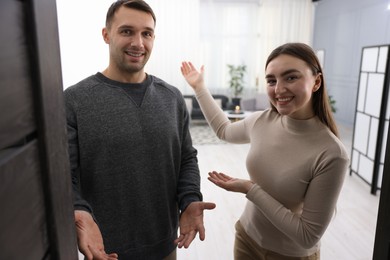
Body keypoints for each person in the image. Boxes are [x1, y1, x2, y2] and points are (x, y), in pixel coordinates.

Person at [64, 1, 215, 259]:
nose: (138, 43)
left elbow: (186, 157)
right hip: (103, 250)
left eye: (147, 33)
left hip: (165, 246)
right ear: (106, 34)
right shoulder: (74, 100)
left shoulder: (172, 98)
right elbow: (66, 174)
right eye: (126, 31)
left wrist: (190, 198)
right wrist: (79, 211)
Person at [181, 42, 349, 259]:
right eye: (272, 80)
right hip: (246, 238)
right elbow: (224, 130)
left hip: (290, 255)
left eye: (291, 77)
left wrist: (250, 190)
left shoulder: (332, 153)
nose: (278, 89)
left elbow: (308, 236)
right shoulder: (263, 120)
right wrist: (199, 88)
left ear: (316, 82)